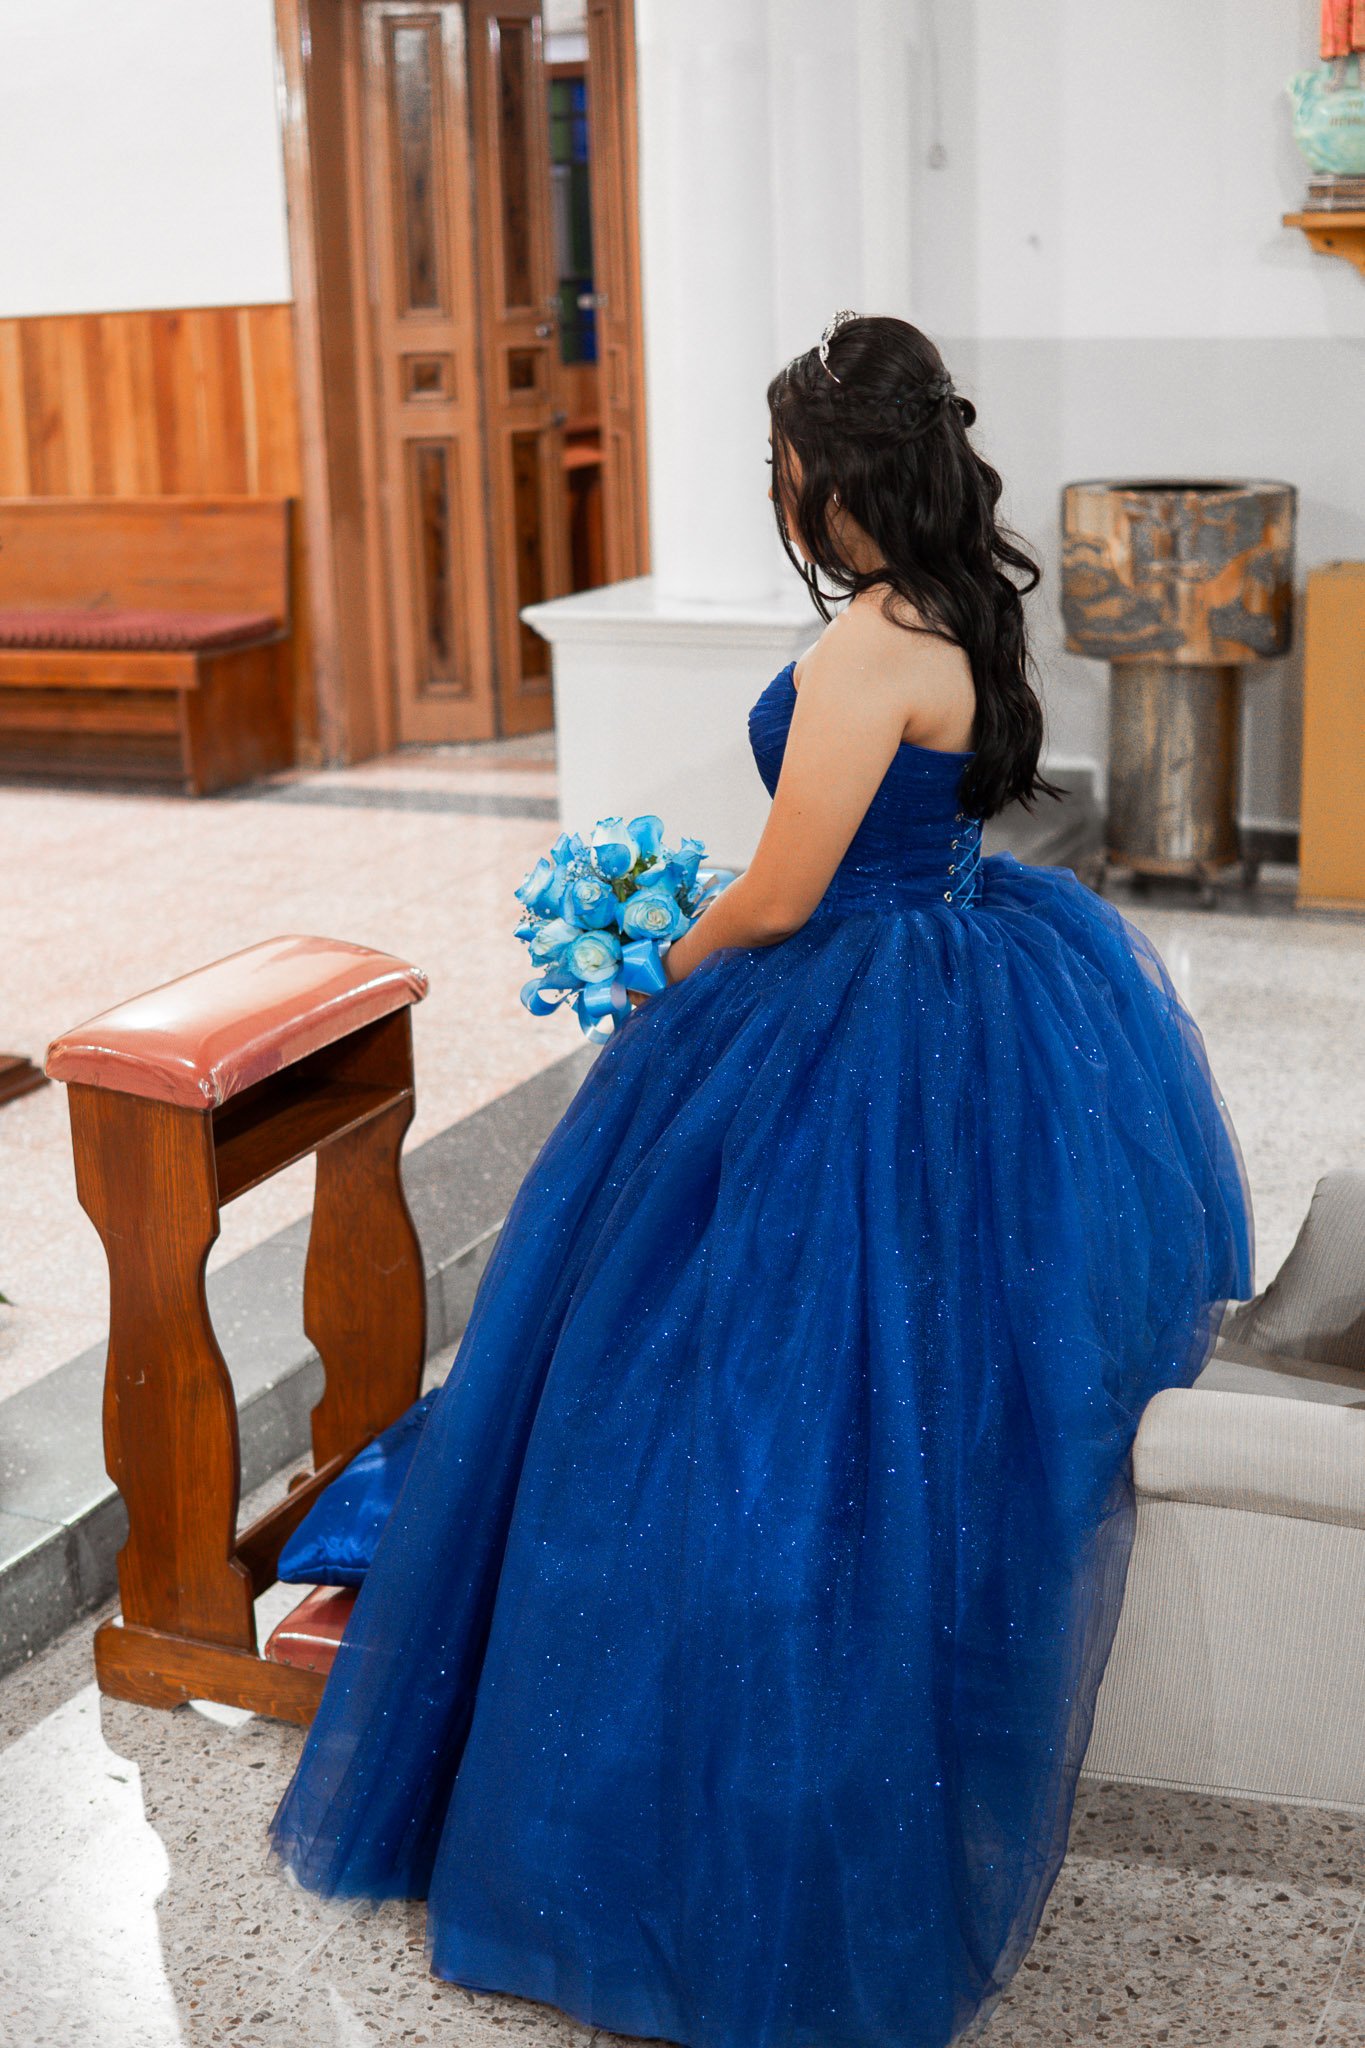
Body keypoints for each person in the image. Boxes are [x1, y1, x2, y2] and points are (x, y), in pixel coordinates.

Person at [269, 313, 1252, 2048]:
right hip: (971, 967)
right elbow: (921, 831)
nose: (780, 486)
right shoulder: (971, 607)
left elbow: (788, 894)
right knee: (909, 1381)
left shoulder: (873, 638)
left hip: (848, 1003)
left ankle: (678, 1794)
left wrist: (665, 960)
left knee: (719, 1384)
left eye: (786, 459)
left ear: (827, 474)